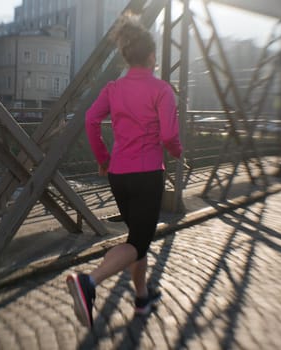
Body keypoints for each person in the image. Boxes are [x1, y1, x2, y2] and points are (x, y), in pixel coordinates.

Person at [66, 14, 182, 329]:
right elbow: (170, 136)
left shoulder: (113, 88)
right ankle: (88, 283)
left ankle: (142, 297)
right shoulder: (161, 89)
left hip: (119, 175)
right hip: (147, 175)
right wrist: (178, 153)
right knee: (139, 242)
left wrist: (103, 159)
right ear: (152, 56)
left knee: (136, 238)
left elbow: (91, 120)